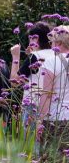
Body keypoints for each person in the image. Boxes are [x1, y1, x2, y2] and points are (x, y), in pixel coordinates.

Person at [10, 22, 52, 126]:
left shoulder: (34, 56)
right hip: (53, 106)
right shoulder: (56, 55)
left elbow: (15, 82)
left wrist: (15, 56)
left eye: (30, 38)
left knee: (30, 140)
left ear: (35, 39)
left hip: (33, 105)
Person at [36, 25, 69, 155]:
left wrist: (39, 121)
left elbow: (47, 94)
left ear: (59, 42)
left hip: (55, 118)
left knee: (51, 156)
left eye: (52, 42)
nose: (51, 46)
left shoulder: (51, 62)